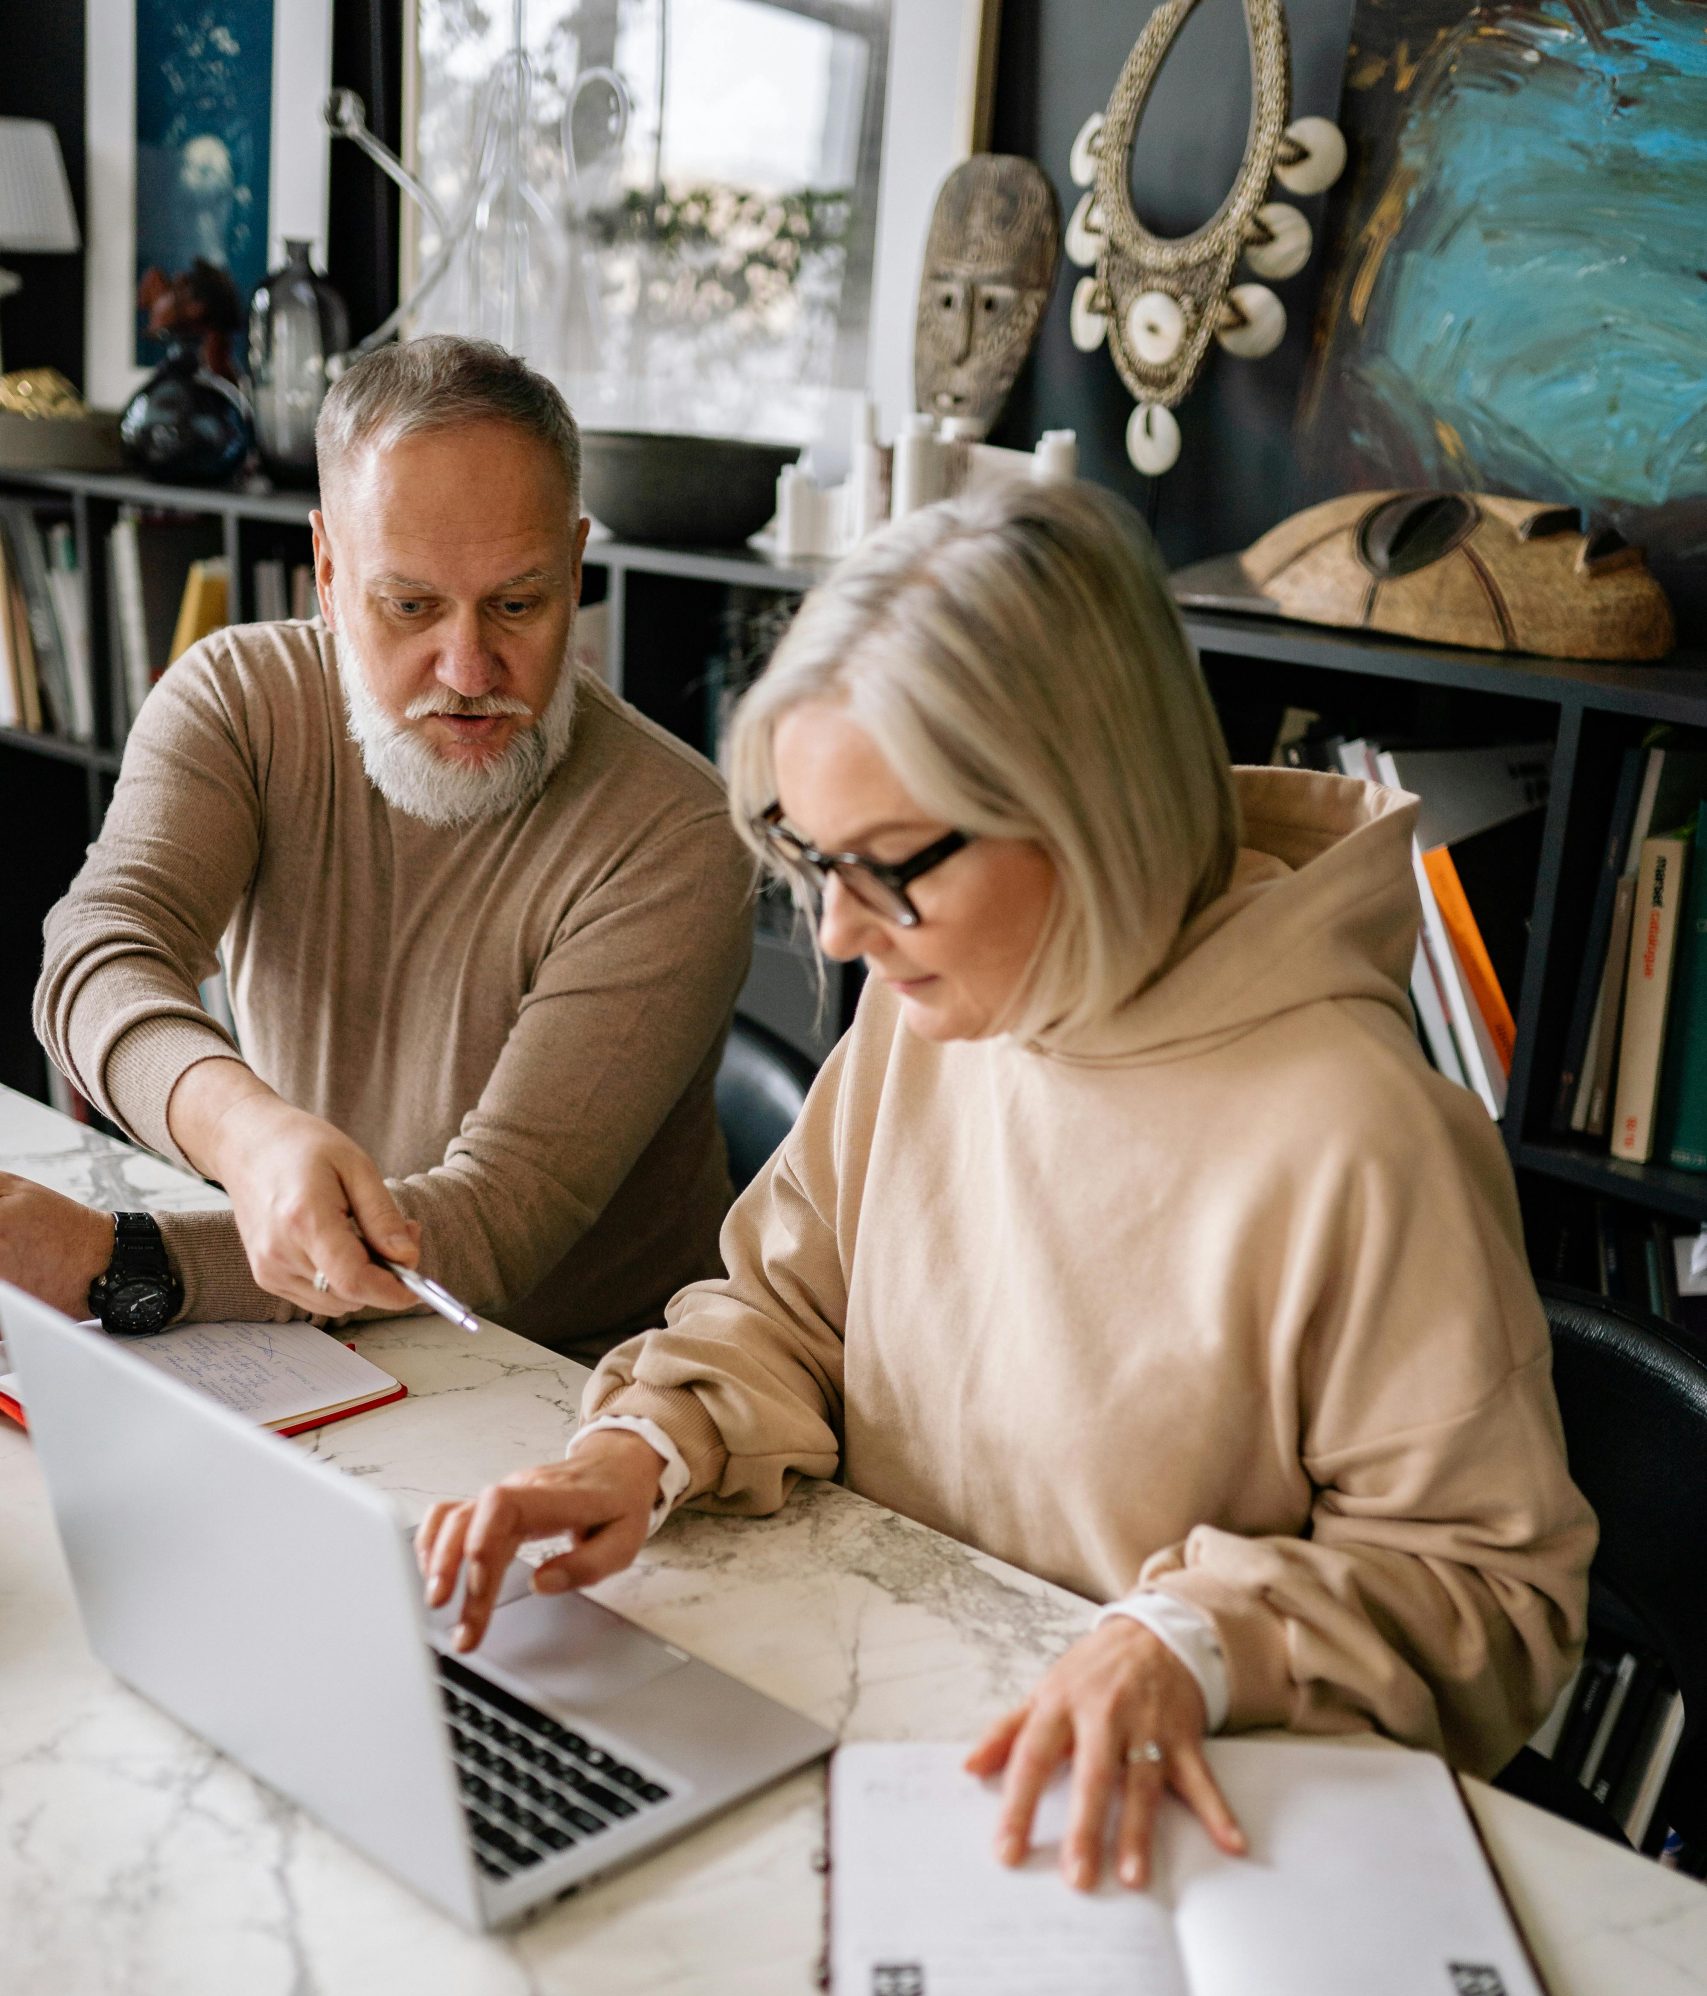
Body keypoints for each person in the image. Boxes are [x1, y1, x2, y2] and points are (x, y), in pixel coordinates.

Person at [414, 478, 1596, 1890]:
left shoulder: (1358, 1134)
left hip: (1163, 1823)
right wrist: (635, 1451)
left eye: (888, 869)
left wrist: (1190, 1642)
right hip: (885, 1719)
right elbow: (788, 1314)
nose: (842, 934)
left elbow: (1489, 1600)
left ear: (1080, 811)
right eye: (810, 858)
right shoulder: (935, 1013)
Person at [13, 336, 751, 1353]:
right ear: (326, 570)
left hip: (579, 1382)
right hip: (303, 1330)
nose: (467, 666)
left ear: (577, 569)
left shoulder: (679, 832)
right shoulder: (238, 700)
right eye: (409, 606)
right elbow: (98, 950)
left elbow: (494, 1223)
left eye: (519, 604)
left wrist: (116, 1260)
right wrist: (247, 1133)